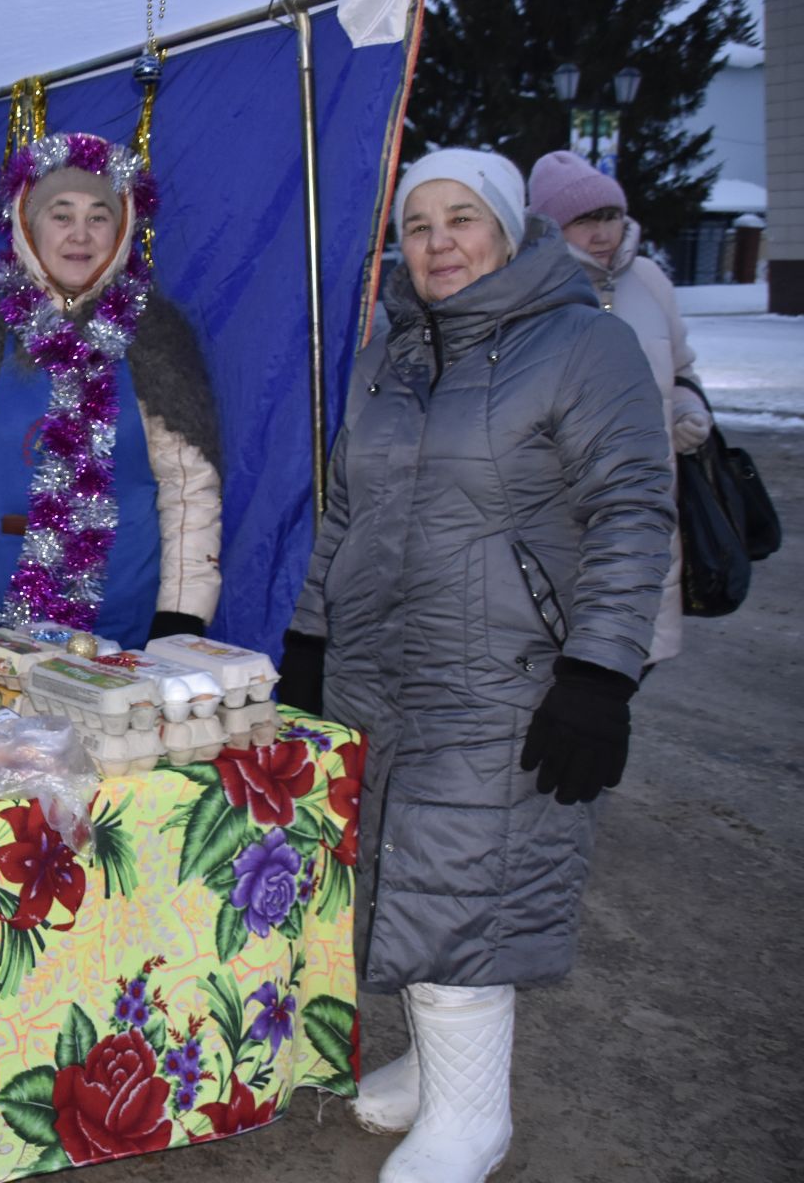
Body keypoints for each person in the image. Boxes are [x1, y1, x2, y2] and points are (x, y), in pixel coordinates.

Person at [277, 149, 674, 1182]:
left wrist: (599, 672)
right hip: (379, 664)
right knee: (400, 866)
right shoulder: (391, 355)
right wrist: (310, 640)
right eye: (419, 224)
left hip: (508, 670)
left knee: (466, 872)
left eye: (463, 218)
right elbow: (347, 511)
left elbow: (632, 512)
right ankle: (435, 1070)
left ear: (508, 229)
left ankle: (473, 1116)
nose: (440, 241)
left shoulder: (588, 344)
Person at [0, 132, 221, 651]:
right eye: (61, 215)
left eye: (98, 216)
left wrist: (181, 618)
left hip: (128, 639)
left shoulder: (157, 335)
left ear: (121, 231)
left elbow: (189, 490)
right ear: (28, 225)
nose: (80, 235)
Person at [529, 149, 713, 666]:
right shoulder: (535, 291)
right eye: (584, 220)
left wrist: (686, 412)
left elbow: (681, 370)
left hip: (651, 496)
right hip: (563, 501)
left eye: (609, 215)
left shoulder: (650, 281)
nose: (602, 231)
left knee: (631, 650)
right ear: (550, 226)